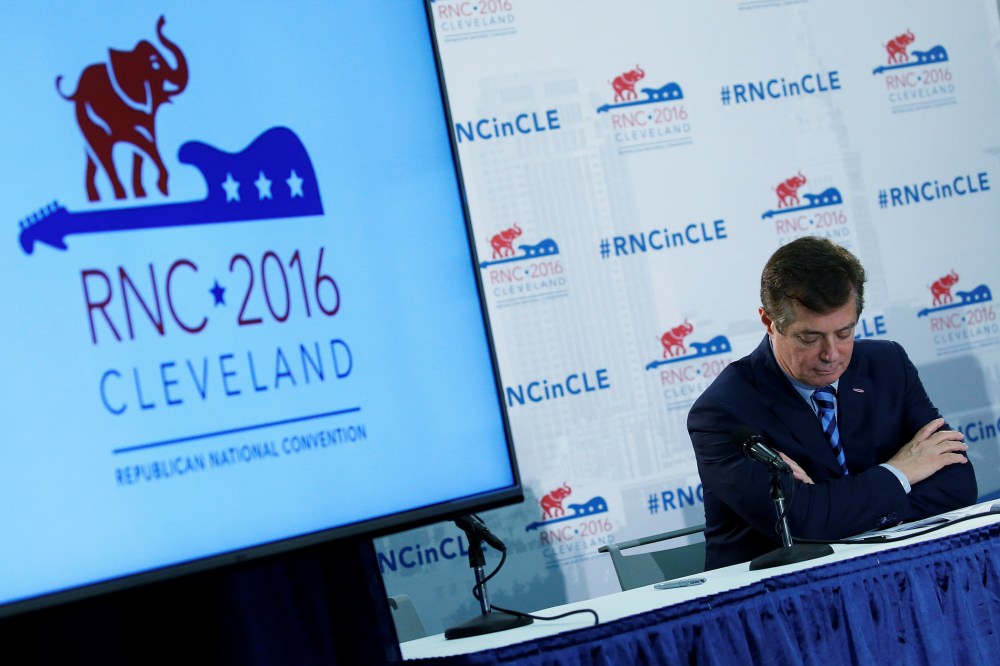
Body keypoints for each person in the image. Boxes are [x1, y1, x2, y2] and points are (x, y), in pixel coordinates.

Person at [687, 237, 977, 569]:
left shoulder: (887, 364)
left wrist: (833, 509)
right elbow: (802, 523)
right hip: (780, 591)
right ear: (769, 322)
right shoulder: (723, 411)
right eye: (809, 337)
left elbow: (957, 483)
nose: (831, 354)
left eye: (844, 333)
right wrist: (901, 471)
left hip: (890, 572)